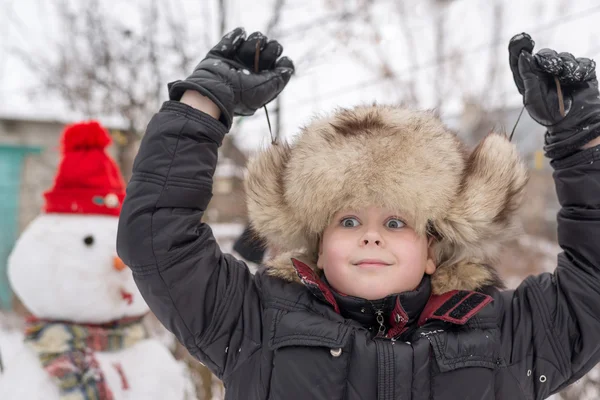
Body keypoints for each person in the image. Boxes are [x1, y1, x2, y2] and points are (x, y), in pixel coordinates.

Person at [116, 28, 600, 399]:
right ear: (318, 244)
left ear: (433, 248)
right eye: (348, 221)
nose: (371, 237)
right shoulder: (253, 324)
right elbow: (160, 242)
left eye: (395, 222)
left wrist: (585, 140)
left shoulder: (510, 337)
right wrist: (202, 106)